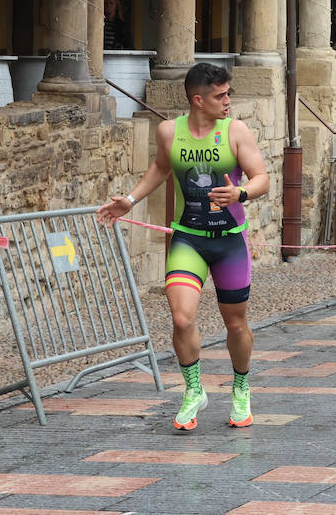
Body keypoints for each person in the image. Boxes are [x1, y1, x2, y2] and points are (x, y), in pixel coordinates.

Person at [97, 63, 270, 431]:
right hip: (187, 238)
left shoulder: (235, 131)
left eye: (229, 94)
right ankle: (193, 390)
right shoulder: (168, 131)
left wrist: (240, 192)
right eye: (220, 95)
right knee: (181, 317)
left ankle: (241, 387)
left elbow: (261, 179)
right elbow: (160, 168)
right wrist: (130, 199)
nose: (228, 101)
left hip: (229, 242)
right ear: (198, 100)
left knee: (235, 323)